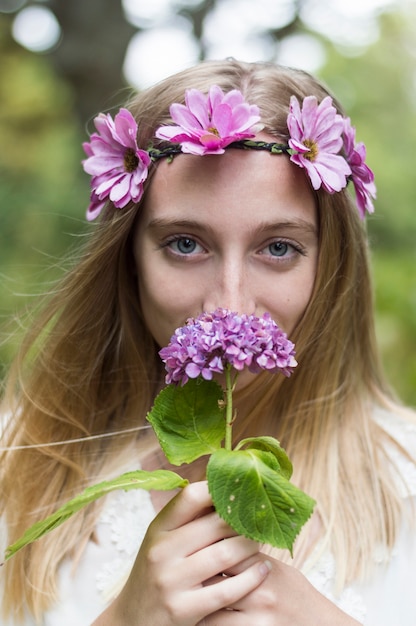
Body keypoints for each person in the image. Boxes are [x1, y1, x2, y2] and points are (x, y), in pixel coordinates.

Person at [1, 58, 415, 626]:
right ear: (128, 259)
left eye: (278, 249)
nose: (229, 303)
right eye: (186, 244)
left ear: (332, 266)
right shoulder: (15, 462)